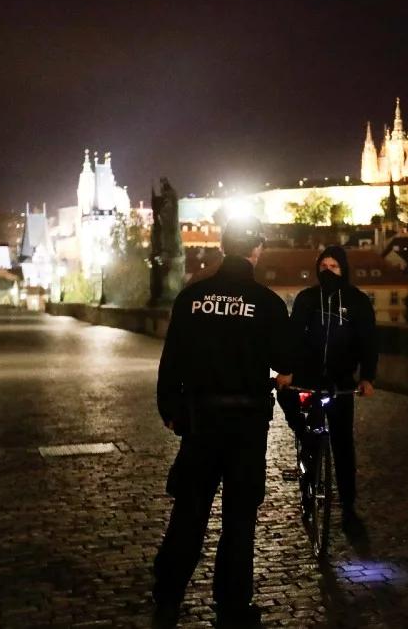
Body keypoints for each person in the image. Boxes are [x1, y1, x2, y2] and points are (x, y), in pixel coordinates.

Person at [153, 216, 292, 627]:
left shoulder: (192, 298)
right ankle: (232, 605)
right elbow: (284, 363)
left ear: (222, 247)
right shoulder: (266, 303)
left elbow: (171, 362)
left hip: (200, 421)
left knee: (190, 512)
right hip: (247, 425)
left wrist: (172, 412)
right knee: (239, 518)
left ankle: (168, 593)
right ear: (257, 250)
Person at [278, 245, 377, 526]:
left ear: (343, 270)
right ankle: (307, 483)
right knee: (307, 432)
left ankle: (348, 505)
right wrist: (287, 372)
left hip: (341, 382)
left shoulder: (357, 301)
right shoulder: (307, 298)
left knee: (343, 446)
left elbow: (369, 341)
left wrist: (368, 377)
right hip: (308, 379)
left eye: (334, 267)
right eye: (324, 267)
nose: (328, 272)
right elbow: (294, 336)